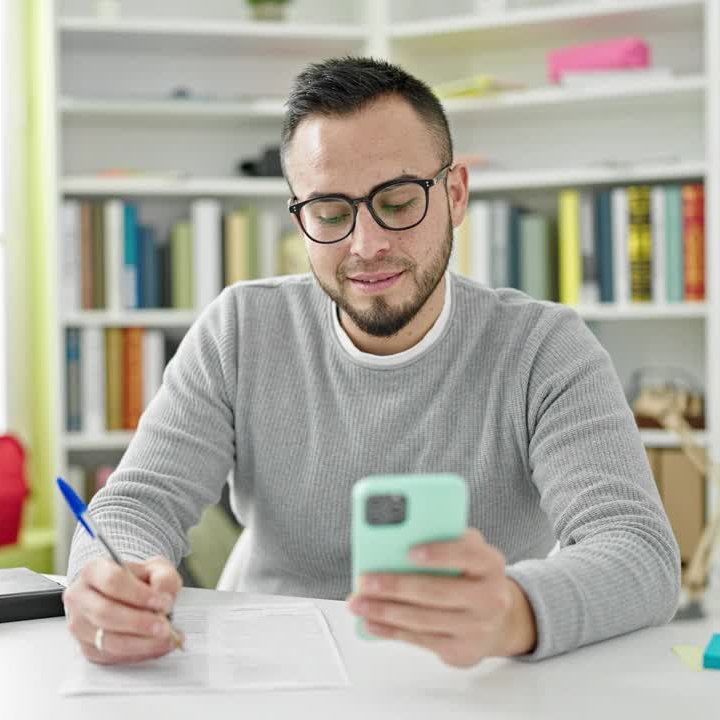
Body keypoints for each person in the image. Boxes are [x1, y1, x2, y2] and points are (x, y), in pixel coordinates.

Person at [63, 56, 681, 668]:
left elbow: (637, 549)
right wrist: (106, 578)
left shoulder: (545, 348)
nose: (367, 245)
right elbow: (134, 505)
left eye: (399, 200)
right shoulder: (241, 329)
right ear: (301, 220)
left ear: (455, 194)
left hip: (475, 679)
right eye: (331, 212)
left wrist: (515, 611)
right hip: (270, 669)